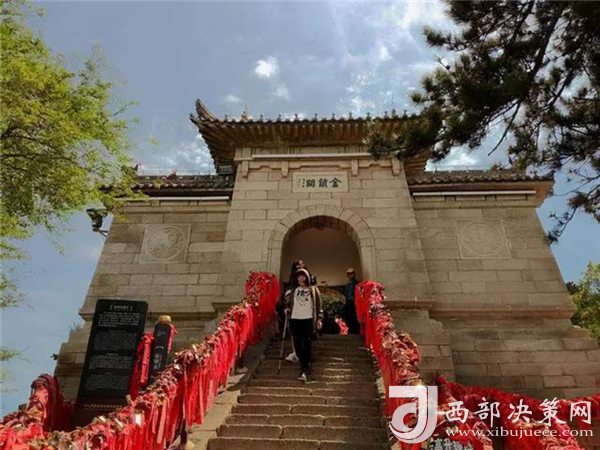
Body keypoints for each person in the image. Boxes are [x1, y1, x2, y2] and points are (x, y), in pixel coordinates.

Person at [284, 268, 323, 382]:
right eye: (299, 276)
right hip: (295, 319)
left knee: (306, 344)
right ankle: (305, 364)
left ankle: (304, 368)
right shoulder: (293, 290)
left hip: (308, 319)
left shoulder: (313, 289)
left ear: (307, 277)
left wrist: (319, 319)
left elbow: (319, 305)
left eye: (303, 276)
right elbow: (288, 303)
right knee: (297, 345)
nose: (301, 278)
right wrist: (286, 309)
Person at [344, 267, 360, 334]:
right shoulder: (347, 285)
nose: (350, 275)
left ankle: (355, 331)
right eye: (349, 274)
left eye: (352, 274)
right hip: (349, 303)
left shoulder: (357, 284)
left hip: (354, 303)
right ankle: (351, 330)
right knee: (349, 317)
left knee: (354, 317)